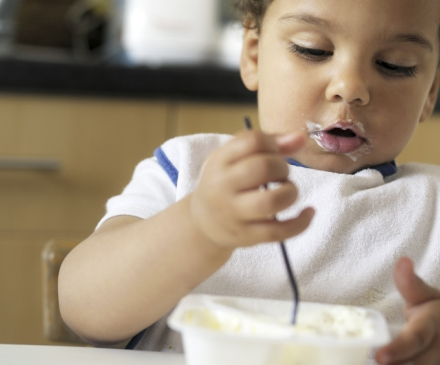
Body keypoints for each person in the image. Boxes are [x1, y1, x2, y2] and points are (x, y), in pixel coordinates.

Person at [58, 0, 440, 363]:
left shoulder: (433, 207)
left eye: (395, 65)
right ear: (254, 55)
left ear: (431, 91)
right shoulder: (189, 171)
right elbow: (84, 310)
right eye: (312, 50)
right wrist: (196, 226)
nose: (350, 87)